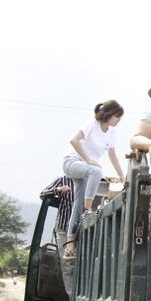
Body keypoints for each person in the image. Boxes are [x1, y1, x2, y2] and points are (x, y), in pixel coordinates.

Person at [63, 100, 125, 258]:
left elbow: (113, 156)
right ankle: (87, 210)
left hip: (85, 170)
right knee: (96, 171)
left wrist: (123, 178)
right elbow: (73, 140)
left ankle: (70, 244)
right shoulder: (92, 124)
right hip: (72, 162)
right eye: (117, 116)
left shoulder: (112, 133)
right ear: (109, 115)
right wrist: (88, 159)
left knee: (77, 202)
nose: (119, 120)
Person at [40, 175, 75, 298]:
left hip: (83, 231)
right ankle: (73, 299)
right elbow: (43, 194)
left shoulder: (90, 179)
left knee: (83, 264)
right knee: (67, 265)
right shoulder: (62, 180)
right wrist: (58, 190)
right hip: (64, 229)